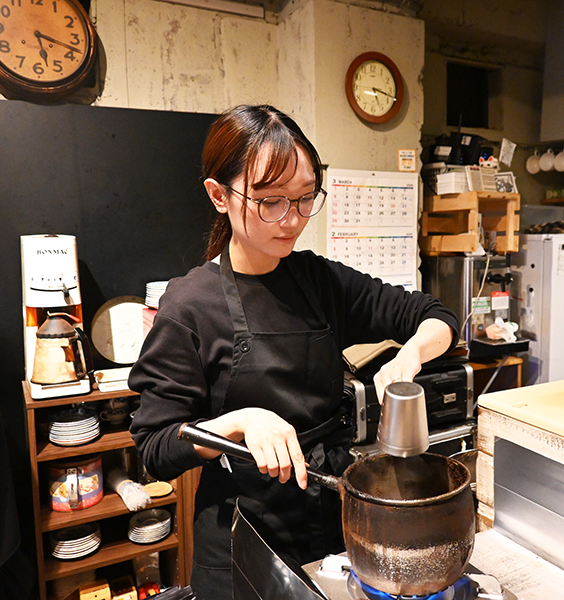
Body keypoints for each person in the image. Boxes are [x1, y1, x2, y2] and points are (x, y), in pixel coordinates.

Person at [129, 104, 458, 599]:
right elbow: (154, 446)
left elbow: (435, 315)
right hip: (244, 537)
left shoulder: (320, 281)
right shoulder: (190, 304)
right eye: (270, 202)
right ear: (219, 195)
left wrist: (410, 354)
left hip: (332, 522)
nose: (292, 219)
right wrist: (237, 422)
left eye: (305, 199)